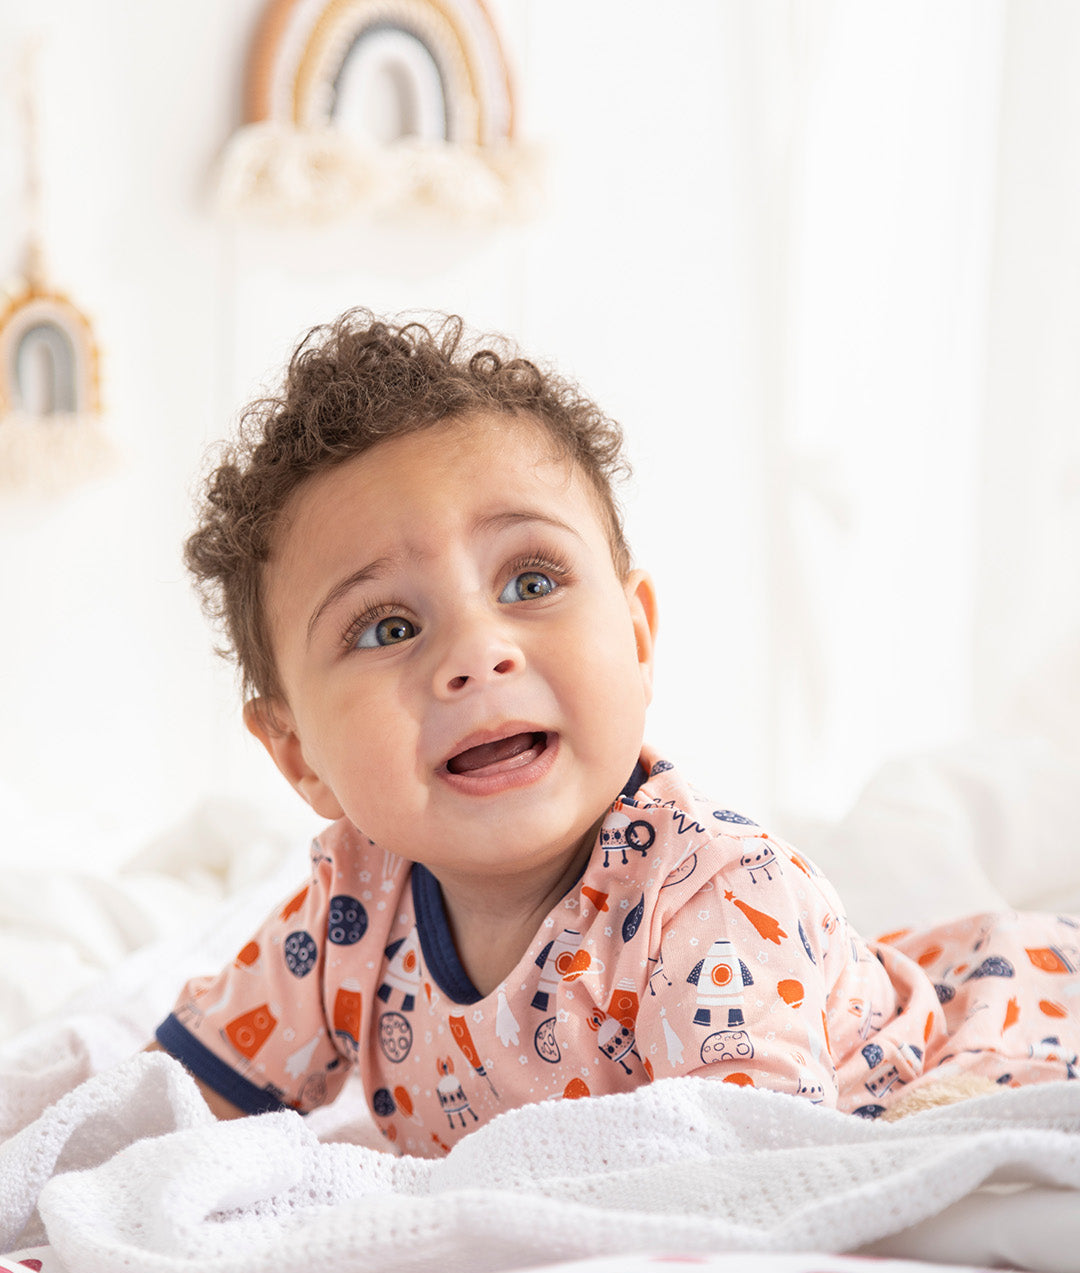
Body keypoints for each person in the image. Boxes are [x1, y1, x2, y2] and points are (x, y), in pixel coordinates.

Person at [151, 311, 1080, 1155]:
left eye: (530, 582)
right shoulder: (352, 906)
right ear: (299, 756)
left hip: (1003, 1037)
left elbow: (758, 1178)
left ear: (637, 640)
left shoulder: (709, 899)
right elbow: (173, 1104)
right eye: (388, 627)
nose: (478, 653)